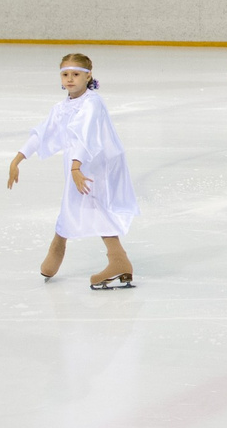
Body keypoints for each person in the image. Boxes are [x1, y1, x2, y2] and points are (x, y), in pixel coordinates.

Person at [8, 52, 139, 291]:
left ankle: (118, 260)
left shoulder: (92, 102)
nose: (70, 79)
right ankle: (61, 250)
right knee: (72, 204)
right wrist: (18, 158)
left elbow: (86, 134)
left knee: (96, 206)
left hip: (97, 164)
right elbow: (43, 132)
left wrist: (76, 166)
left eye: (76, 74)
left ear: (88, 77)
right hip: (78, 165)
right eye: (65, 74)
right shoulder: (62, 107)